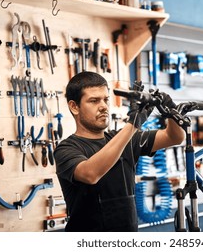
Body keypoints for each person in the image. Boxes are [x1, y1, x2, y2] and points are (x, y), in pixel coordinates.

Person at [54, 71, 185, 232]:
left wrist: (170, 111)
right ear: (74, 107)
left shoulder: (125, 139)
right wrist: (133, 125)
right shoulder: (66, 149)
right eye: (94, 101)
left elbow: (174, 137)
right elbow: (90, 174)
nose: (103, 106)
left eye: (106, 99)